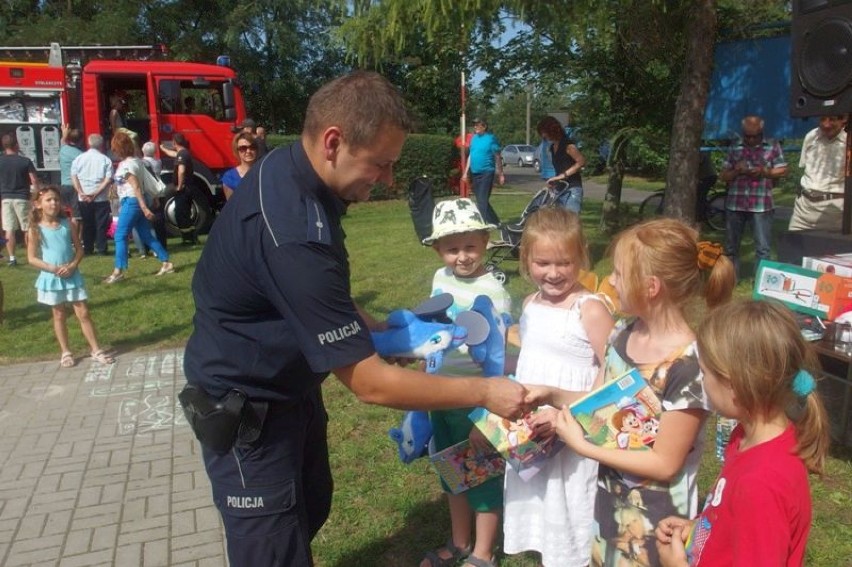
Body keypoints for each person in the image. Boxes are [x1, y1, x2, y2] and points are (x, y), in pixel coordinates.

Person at [180, 71, 527, 567]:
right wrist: (485, 392)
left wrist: (384, 329)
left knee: (307, 509)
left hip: (292, 391)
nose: (387, 178)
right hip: (247, 411)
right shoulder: (292, 230)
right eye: (381, 164)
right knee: (272, 550)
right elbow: (370, 384)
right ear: (333, 142)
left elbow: (314, 297)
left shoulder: (295, 170)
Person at [525, 218, 735, 567]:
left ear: (650, 287)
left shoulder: (688, 367)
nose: (609, 281)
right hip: (609, 501)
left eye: (619, 274)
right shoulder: (623, 333)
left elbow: (665, 464)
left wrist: (580, 445)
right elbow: (597, 402)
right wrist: (552, 395)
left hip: (657, 525)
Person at [655, 300, 830, 567]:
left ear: (734, 385)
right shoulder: (747, 437)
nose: (701, 382)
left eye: (704, 373)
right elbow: (732, 516)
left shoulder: (760, 484)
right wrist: (700, 527)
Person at [503, 207, 615, 567]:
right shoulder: (530, 305)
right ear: (526, 260)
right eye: (543, 263)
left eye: (564, 263)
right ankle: (545, 548)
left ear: (581, 256)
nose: (553, 273)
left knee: (568, 495)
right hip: (532, 421)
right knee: (538, 490)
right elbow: (531, 357)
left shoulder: (590, 308)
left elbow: (612, 369)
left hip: (572, 419)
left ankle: (571, 554)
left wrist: (569, 414)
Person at [419, 197, 512, 567]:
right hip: (441, 393)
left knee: (483, 474)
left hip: (478, 399)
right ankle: (459, 542)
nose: (462, 256)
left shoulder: (494, 292)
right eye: (451, 248)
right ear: (439, 250)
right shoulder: (439, 279)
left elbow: (498, 357)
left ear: (485, 243)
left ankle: (483, 553)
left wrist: (487, 415)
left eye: (470, 246)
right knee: (450, 469)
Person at [26, 186, 114, 368]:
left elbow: (79, 249)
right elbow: (31, 258)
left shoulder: (68, 224)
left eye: (56, 200)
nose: (53, 203)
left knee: (83, 312)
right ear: (38, 204)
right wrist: (51, 268)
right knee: (59, 314)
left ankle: (96, 349)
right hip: (52, 277)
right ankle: (66, 351)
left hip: (72, 275)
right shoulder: (35, 229)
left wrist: (73, 265)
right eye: (48, 200)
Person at [719, 115, 787, 280]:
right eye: (747, 135)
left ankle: (761, 283)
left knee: (763, 248)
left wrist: (764, 172)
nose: (750, 139)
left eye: (754, 136)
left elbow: (783, 169)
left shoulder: (772, 145)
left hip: (761, 205)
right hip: (736, 204)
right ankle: (730, 280)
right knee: (730, 247)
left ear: (761, 132)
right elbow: (723, 175)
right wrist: (736, 170)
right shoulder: (735, 147)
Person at [104, 130, 173, 284]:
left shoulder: (127, 165)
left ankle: (118, 270)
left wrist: (144, 208)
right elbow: (143, 184)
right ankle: (166, 262)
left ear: (118, 149)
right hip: (135, 201)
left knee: (120, 235)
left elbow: (135, 187)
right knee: (146, 235)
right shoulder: (136, 161)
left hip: (132, 201)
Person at [787, 114, 849, 232]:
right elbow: (806, 169)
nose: (826, 124)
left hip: (835, 213)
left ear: (843, 120)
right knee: (793, 249)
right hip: (802, 211)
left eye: (832, 119)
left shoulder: (849, 141)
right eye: (822, 119)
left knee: (836, 250)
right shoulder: (811, 136)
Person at [1, 133, 40, 266]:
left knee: (9, 229)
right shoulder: (25, 161)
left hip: (6, 198)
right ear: (16, 145)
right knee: (27, 227)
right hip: (22, 197)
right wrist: (37, 195)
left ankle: (12, 258)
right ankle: (31, 255)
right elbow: (33, 180)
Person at [71, 133, 114, 256]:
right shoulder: (106, 159)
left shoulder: (79, 159)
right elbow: (108, 179)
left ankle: (88, 248)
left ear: (88, 143)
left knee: (87, 223)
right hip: (100, 197)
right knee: (101, 224)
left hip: (83, 196)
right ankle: (101, 248)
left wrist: (80, 191)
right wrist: (96, 193)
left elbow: (74, 176)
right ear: (101, 145)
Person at [536, 115, 587, 213]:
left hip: (572, 188)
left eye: (544, 132)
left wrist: (563, 175)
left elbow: (581, 162)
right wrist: (554, 182)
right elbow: (559, 168)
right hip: (560, 189)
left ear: (552, 130)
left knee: (570, 222)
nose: (543, 136)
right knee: (560, 222)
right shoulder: (552, 147)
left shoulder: (568, 145)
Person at [462, 118, 503, 226]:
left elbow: (497, 156)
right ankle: (495, 221)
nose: (475, 127)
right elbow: (471, 155)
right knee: (481, 198)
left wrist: (500, 174)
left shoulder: (491, 139)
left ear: (484, 127)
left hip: (487, 172)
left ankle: (481, 223)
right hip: (475, 173)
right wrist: (466, 172)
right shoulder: (474, 139)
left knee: (482, 199)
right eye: (474, 125)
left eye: (477, 125)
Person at [159, 133, 197, 244]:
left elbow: (181, 171)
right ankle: (192, 237)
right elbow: (173, 154)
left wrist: (179, 186)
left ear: (175, 142)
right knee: (184, 213)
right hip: (187, 188)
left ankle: (188, 239)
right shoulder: (183, 153)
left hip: (183, 189)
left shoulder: (182, 155)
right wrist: (162, 148)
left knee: (180, 213)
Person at [132, 141, 167, 257]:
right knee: (159, 220)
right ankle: (161, 245)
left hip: (148, 192)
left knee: (146, 223)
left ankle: (145, 248)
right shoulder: (158, 161)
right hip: (158, 191)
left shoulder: (142, 163)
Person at [58, 125, 83, 230]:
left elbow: (62, 141)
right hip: (75, 187)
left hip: (63, 186)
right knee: (77, 216)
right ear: (81, 140)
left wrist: (64, 133)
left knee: (64, 214)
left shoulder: (63, 149)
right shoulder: (81, 155)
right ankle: (77, 239)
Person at [221, 132, 258, 201]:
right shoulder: (229, 177)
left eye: (252, 147)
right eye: (243, 148)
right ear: (237, 151)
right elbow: (231, 205)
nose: (248, 151)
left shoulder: (264, 172)